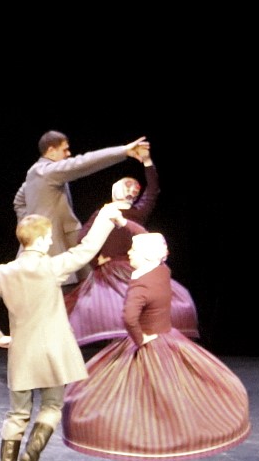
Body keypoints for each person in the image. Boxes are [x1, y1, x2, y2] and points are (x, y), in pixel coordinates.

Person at [61, 232, 251, 461]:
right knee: (163, 406)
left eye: (133, 251)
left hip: (148, 347)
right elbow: (147, 241)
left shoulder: (140, 284)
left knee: (144, 409)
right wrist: (125, 224)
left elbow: (129, 318)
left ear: (146, 256)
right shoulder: (162, 271)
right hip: (169, 341)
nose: (129, 254)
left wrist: (140, 339)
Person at [0, 204, 129, 461]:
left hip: (22, 353)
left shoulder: (4, 272)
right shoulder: (51, 267)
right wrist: (106, 218)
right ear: (41, 240)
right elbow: (86, 250)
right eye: (49, 237)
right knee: (52, 405)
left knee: (17, 414)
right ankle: (33, 451)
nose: (52, 241)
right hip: (52, 352)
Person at [65, 148, 201, 348]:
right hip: (130, 267)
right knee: (136, 306)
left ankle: (121, 347)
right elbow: (152, 191)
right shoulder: (138, 212)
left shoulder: (105, 213)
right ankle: (132, 344)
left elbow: (82, 239)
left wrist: (96, 261)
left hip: (112, 269)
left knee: (112, 308)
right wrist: (147, 162)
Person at [11, 130, 149, 288]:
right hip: (54, 248)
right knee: (66, 293)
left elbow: (18, 201)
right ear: (51, 150)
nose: (68, 154)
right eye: (64, 150)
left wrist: (29, 224)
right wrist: (124, 151)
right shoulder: (47, 172)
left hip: (47, 247)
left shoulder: (35, 173)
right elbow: (82, 163)